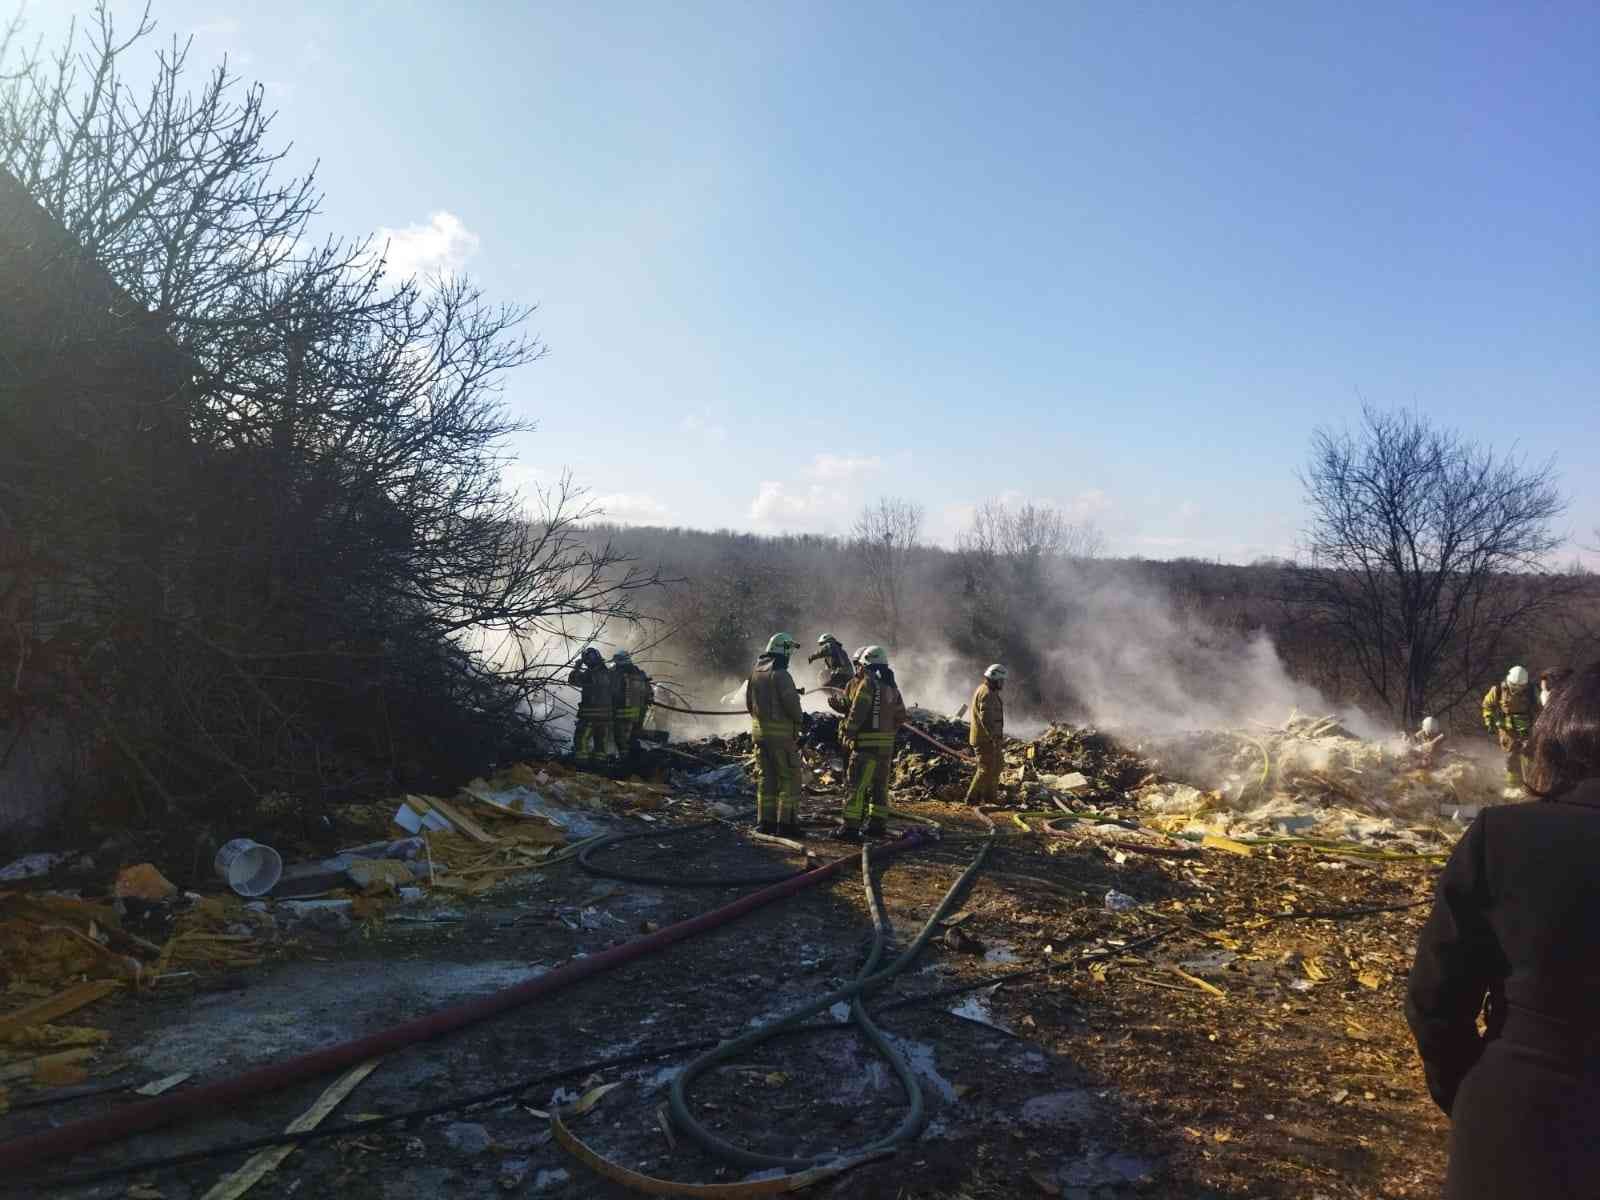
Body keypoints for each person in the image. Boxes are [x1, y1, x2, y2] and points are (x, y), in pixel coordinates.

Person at [1405, 660, 1600, 1199]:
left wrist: (1471, 1094)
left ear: (1558, 739)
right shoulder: (1500, 702)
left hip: (1515, 1122)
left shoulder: (1503, 837)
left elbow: (1435, 1000)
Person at [839, 645, 906, 841]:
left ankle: (850, 828)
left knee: (857, 786)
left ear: (866, 664)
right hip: (885, 748)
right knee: (879, 787)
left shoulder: (868, 684)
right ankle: (877, 825)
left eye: (861, 665)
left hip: (866, 747)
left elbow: (858, 712)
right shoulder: (891, 687)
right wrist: (887, 732)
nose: (859, 669)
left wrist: (848, 732)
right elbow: (901, 715)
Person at [746, 632, 804, 837]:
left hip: (760, 737)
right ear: (784, 650)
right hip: (781, 739)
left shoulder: (755, 673)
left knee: (766, 779)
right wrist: (800, 720)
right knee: (790, 779)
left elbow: (749, 704)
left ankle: (765, 822)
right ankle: (786, 825)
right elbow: (792, 707)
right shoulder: (781, 675)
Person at [1482, 665, 1536, 789]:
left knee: (1529, 755)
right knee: (1511, 757)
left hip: (1527, 728)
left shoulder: (1532, 691)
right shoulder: (1498, 690)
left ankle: (1531, 785)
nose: (1516, 689)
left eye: (1520, 687)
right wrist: (1489, 722)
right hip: (1507, 729)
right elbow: (1487, 705)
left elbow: (1541, 708)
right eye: (1514, 685)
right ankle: (1513, 786)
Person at [965, 664, 1007, 806]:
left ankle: (990, 797)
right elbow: (987, 719)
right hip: (985, 739)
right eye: (1001, 680)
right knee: (985, 768)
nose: (1003, 683)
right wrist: (994, 737)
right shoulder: (987, 694)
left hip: (988, 738)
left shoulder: (988, 691)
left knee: (997, 766)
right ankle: (972, 798)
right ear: (995, 679)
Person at [567, 647, 616, 765]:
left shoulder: (590, 674)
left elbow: (573, 680)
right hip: (606, 716)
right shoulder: (610, 674)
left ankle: (581, 765)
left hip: (590, 715)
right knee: (600, 743)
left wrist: (577, 667)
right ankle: (598, 767)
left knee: (581, 739)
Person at [609, 650, 654, 764]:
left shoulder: (616, 673)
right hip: (638, 713)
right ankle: (636, 759)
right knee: (633, 736)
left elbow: (612, 691)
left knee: (621, 738)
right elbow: (649, 691)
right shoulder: (639, 672)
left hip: (622, 713)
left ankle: (626, 761)